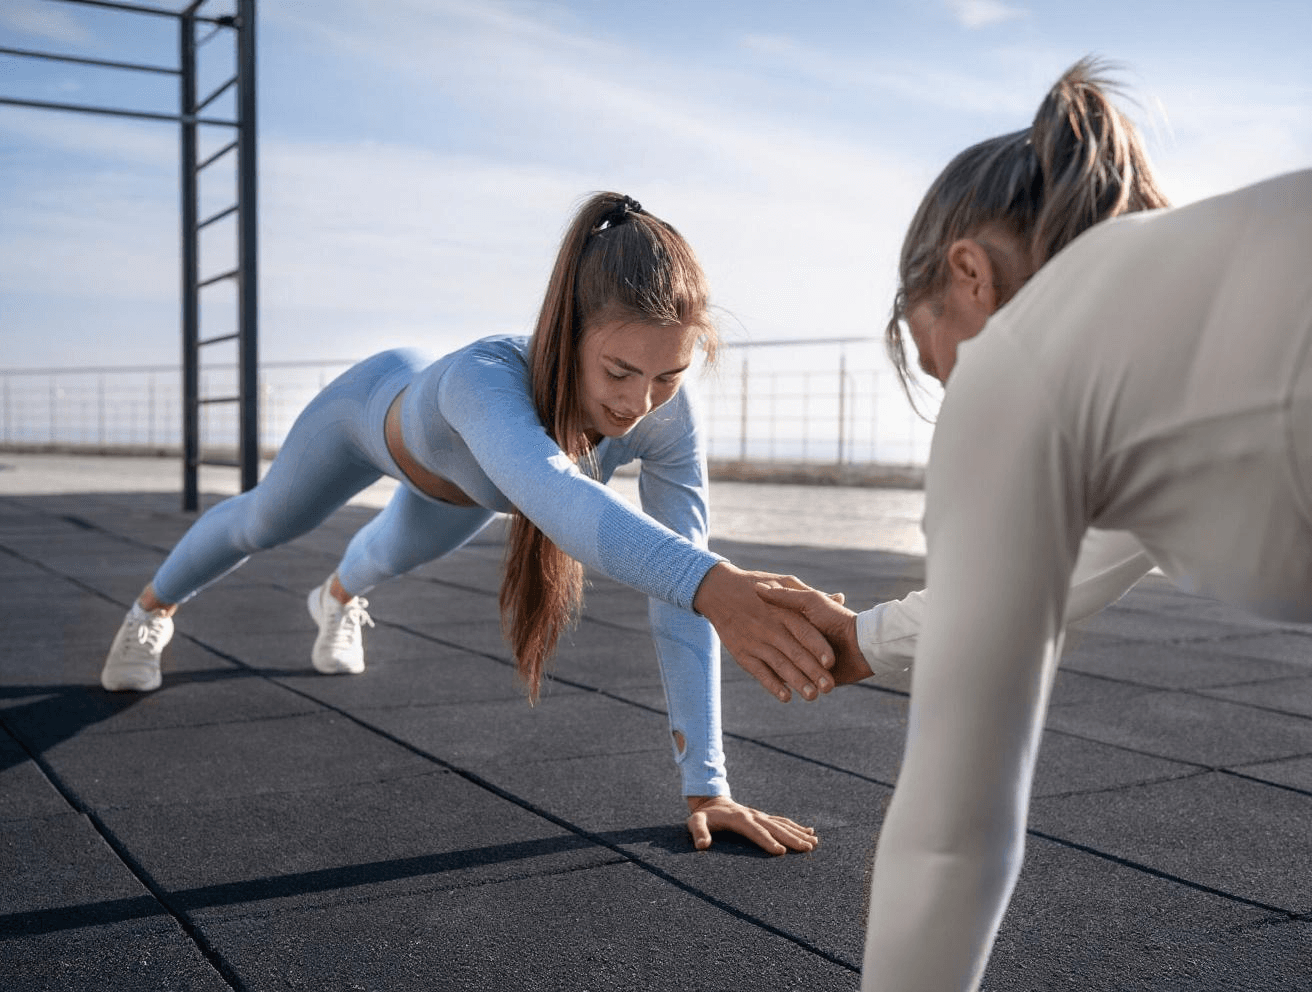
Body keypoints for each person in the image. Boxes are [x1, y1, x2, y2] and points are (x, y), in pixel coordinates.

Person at [761, 58, 1312, 988]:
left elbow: (951, 842)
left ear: (968, 274)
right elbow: (1045, 587)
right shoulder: (1182, 323)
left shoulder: (1024, 364)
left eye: (937, 364)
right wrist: (855, 640)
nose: (950, 392)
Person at [100, 191, 838, 855]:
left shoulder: (666, 416)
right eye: (618, 372)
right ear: (565, 332)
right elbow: (563, 501)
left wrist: (708, 787)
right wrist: (713, 584)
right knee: (261, 522)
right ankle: (150, 610)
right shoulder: (484, 379)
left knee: (385, 557)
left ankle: (336, 600)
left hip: (459, 491)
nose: (639, 403)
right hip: (367, 417)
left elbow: (678, 582)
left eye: (669, 376)